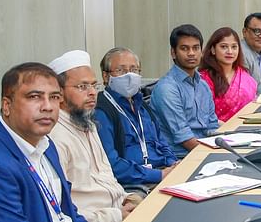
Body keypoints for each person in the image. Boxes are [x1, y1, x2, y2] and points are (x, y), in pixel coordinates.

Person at [0, 62, 87, 222]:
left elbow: (68, 212)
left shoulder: (45, 144)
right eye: (34, 97)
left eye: (54, 97)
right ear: (7, 106)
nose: (48, 107)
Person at [48, 50, 137, 222]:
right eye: (82, 86)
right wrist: (117, 215)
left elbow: (105, 178)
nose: (92, 93)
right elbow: (62, 212)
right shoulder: (55, 137)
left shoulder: (87, 122)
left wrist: (128, 197)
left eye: (94, 86)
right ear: (58, 94)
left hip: (120, 208)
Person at [94, 47, 178, 187]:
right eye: (121, 70)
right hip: (133, 183)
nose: (129, 75)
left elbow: (162, 143)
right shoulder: (102, 110)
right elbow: (112, 164)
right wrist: (159, 175)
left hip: (163, 172)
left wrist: (173, 163)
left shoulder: (142, 105)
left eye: (134, 70)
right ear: (106, 76)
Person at [150, 24, 220, 158]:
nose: (191, 53)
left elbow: (212, 126)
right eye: (184, 48)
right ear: (173, 53)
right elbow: (184, 138)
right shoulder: (167, 89)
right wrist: (214, 155)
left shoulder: (203, 85)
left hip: (204, 150)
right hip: (180, 158)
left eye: (196, 48)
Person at [199, 27, 258, 122]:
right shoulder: (204, 79)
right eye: (224, 47)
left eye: (234, 47)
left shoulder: (244, 75)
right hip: (216, 131)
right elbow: (202, 114)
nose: (230, 51)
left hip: (247, 128)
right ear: (213, 50)